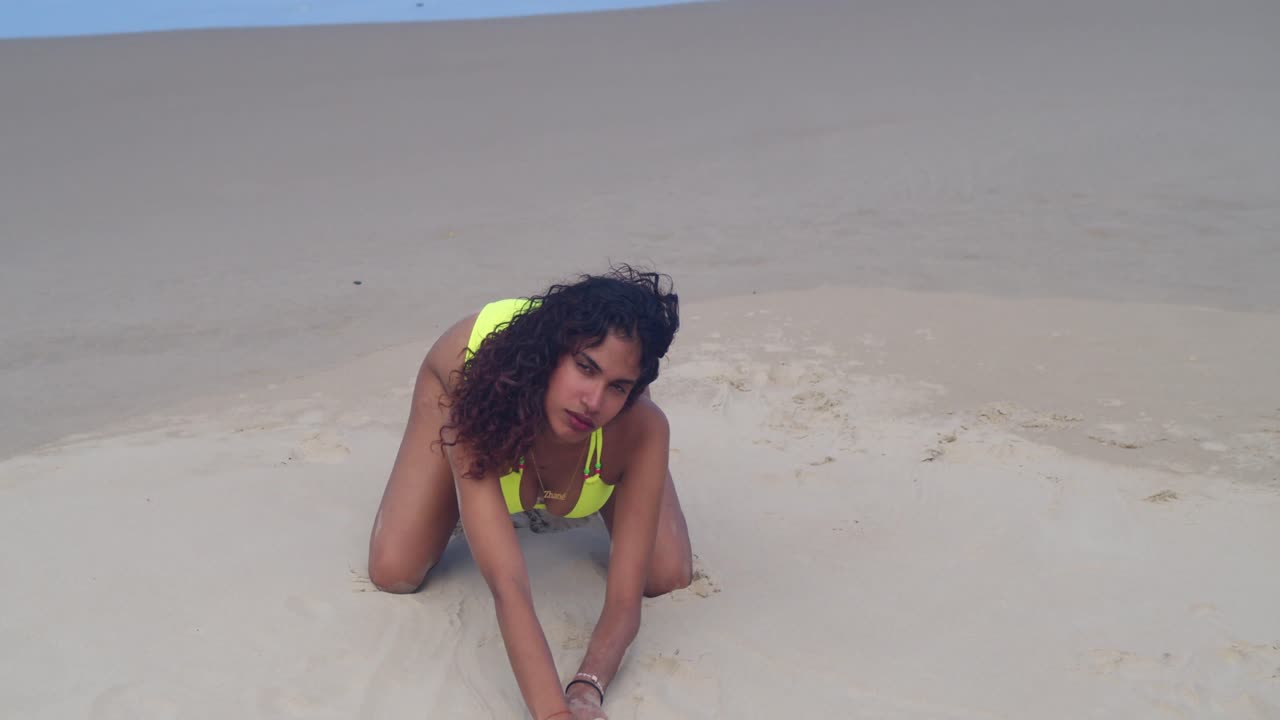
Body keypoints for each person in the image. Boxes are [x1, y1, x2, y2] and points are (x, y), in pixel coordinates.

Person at [367, 265, 693, 720]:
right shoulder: (473, 399)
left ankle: (591, 462)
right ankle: (470, 489)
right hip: (469, 385)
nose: (593, 401)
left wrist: (587, 689)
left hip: (606, 423)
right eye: (585, 368)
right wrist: (553, 713)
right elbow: (509, 584)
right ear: (552, 353)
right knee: (395, 570)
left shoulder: (642, 422)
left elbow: (624, 601)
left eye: (617, 386)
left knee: (666, 575)